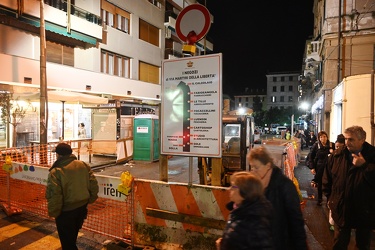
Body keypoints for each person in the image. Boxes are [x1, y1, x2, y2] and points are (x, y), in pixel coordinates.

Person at [322, 126, 375, 250]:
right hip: (341, 208)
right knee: (339, 243)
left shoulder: (372, 155)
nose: (347, 142)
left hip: (364, 210)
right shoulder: (337, 156)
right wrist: (330, 199)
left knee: (362, 244)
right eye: (345, 139)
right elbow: (327, 178)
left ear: (362, 140)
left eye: (351, 139)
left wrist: (364, 166)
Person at [247, 146, 307, 250]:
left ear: (268, 165)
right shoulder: (256, 186)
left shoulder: (285, 187)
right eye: (251, 167)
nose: (253, 171)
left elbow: (296, 224)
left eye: (256, 167)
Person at [45, 143, 99, 250]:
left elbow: (55, 194)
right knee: (72, 236)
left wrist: (54, 212)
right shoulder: (83, 165)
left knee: (67, 242)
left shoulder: (56, 171)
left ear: (59, 155)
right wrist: (90, 200)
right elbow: (93, 185)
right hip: (82, 208)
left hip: (66, 212)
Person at [216, 171, 274, 249]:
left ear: (244, 192)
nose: (229, 189)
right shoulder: (239, 212)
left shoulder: (252, 221)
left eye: (233, 187)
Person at [323, 134, 346, 231]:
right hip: (334, 193)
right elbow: (327, 177)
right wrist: (328, 194)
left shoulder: (352, 158)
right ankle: (333, 224)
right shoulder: (333, 157)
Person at [307, 130, 333, 206]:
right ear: (319, 138)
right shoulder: (316, 145)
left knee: (329, 183)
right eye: (321, 137)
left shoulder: (331, 145)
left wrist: (333, 152)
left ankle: (328, 200)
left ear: (327, 137)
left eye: (324, 136)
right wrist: (312, 168)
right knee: (320, 183)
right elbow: (310, 157)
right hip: (319, 167)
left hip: (329, 167)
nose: (323, 138)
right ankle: (319, 199)